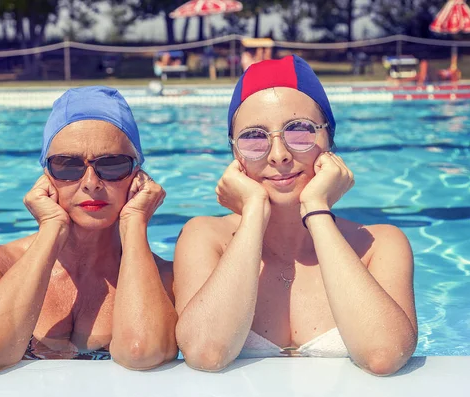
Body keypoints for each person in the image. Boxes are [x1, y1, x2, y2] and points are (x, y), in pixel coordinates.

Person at [173, 56, 418, 376]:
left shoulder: (379, 245)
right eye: (254, 137)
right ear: (235, 152)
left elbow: (384, 355)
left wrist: (316, 208)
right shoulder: (205, 238)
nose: (279, 155)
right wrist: (253, 213)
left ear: (329, 138)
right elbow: (206, 353)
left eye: (299, 131)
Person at [0, 86, 178, 374]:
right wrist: (51, 229)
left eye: (112, 164)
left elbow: (143, 352)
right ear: (47, 175)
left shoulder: (163, 278)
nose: (91, 182)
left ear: (138, 176)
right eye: (68, 165)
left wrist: (135, 223)